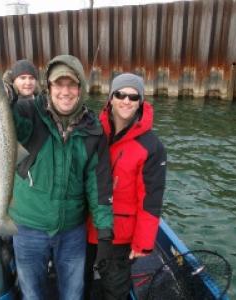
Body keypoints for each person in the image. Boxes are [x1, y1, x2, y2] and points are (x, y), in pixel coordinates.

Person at [5, 54, 113, 300]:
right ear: (49, 87)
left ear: (80, 88)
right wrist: (6, 98)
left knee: (73, 294)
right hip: (27, 227)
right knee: (32, 295)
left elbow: (98, 184)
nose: (65, 91)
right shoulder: (29, 112)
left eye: (71, 85)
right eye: (58, 84)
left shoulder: (93, 129)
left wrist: (105, 229)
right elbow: (9, 121)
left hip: (72, 231)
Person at [85, 73, 167, 300]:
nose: (126, 101)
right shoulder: (91, 129)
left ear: (141, 101)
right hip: (82, 226)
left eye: (133, 97)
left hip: (118, 236)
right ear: (111, 97)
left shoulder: (152, 146)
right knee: (79, 283)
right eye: (120, 94)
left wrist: (143, 242)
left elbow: (151, 199)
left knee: (115, 290)